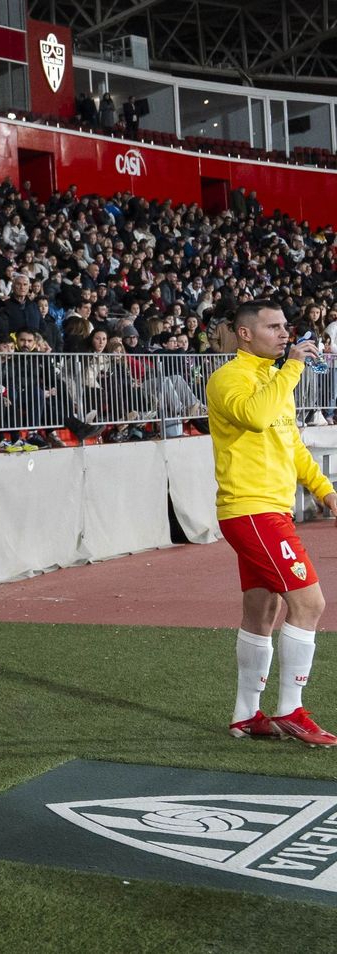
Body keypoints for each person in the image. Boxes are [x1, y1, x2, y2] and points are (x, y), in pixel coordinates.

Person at [208, 302, 337, 745]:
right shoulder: (231, 378)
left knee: (261, 611)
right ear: (245, 334)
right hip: (252, 509)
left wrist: (326, 491)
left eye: (286, 327)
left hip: (268, 510)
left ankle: (246, 716)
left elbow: (293, 446)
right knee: (311, 603)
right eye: (274, 327)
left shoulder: (271, 378)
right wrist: (293, 369)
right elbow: (258, 417)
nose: (285, 334)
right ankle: (290, 710)